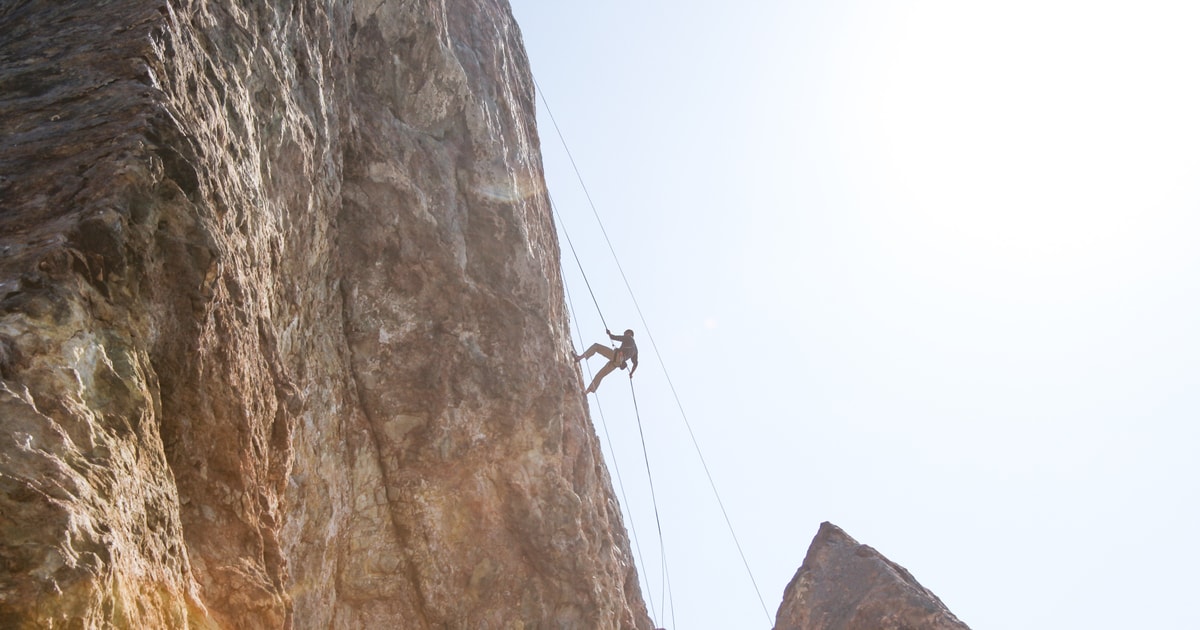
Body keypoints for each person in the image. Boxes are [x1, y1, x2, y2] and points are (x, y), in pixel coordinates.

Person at [573, 328, 638, 394]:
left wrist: (609, 334)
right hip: (618, 363)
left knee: (596, 346)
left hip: (617, 356)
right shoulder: (635, 350)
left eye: (625, 334)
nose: (624, 335)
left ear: (629, 333)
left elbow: (614, 337)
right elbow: (635, 363)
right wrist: (631, 373)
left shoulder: (629, 338)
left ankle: (579, 358)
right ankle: (586, 392)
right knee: (600, 374)